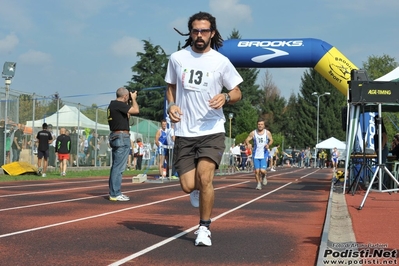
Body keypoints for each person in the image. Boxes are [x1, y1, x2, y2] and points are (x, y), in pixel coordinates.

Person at [165, 11, 243, 247]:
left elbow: (238, 92)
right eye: (195, 31)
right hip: (185, 131)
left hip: (212, 128)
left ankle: (204, 228)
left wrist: (226, 97)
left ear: (213, 33)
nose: (199, 35)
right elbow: (170, 87)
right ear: (190, 33)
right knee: (188, 185)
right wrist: (172, 104)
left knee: (205, 177)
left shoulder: (221, 61)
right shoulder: (177, 58)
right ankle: (199, 191)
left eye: (204, 31)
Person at [107, 87, 139, 202]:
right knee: (119, 167)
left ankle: (113, 192)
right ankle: (115, 193)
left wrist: (129, 102)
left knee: (116, 166)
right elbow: (136, 110)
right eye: (128, 96)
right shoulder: (118, 104)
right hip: (121, 137)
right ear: (125, 96)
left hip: (116, 136)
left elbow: (128, 116)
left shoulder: (113, 105)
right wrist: (134, 99)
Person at [244, 120, 274, 190]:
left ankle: (264, 176)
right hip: (256, 154)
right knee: (257, 171)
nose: (260, 125)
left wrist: (268, 144)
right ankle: (258, 184)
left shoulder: (267, 132)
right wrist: (248, 143)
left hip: (264, 154)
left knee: (262, 171)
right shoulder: (253, 133)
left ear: (264, 125)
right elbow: (247, 139)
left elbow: (271, 140)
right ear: (257, 125)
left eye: (261, 124)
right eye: (259, 124)